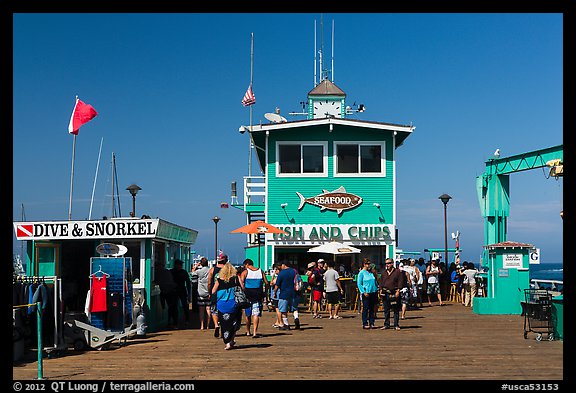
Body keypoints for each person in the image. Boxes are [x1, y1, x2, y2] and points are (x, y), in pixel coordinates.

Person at [211, 262, 243, 350]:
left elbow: (213, 291)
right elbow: (243, 288)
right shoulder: (236, 278)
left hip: (222, 304)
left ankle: (227, 342)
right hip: (234, 303)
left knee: (224, 323)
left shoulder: (219, 280)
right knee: (234, 322)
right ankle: (231, 340)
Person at [239, 258, 269, 338]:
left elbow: (241, 283)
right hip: (258, 295)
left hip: (248, 295)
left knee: (248, 314)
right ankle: (255, 332)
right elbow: (266, 283)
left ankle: (248, 331)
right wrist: (265, 292)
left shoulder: (245, 272)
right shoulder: (260, 271)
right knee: (256, 314)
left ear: (247, 265)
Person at [207, 252, 228, 338]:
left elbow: (209, 282)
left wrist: (209, 292)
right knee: (224, 311)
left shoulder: (212, 269)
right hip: (225, 293)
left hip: (214, 292)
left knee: (214, 310)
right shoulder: (228, 269)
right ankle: (223, 327)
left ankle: (216, 325)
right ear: (225, 260)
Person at [378, 258, 403, 330]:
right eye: (386, 263)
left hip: (394, 292)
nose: (387, 265)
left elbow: (400, 282)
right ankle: (386, 324)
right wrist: (380, 289)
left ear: (392, 263)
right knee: (386, 309)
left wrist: (398, 290)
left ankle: (396, 324)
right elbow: (381, 282)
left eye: (388, 263)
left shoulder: (397, 272)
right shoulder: (384, 273)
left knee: (395, 309)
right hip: (385, 293)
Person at [273, 261, 298, 330]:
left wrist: (274, 292)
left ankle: (286, 324)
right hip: (293, 292)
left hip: (284, 293)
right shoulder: (294, 271)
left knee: (283, 310)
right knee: (294, 308)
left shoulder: (282, 273)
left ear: (283, 265)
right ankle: (296, 318)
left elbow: (277, 285)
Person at [154, 261, 178, 329]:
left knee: (169, 307)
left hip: (166, 291)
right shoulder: (167, 272)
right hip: (171, 291)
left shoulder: (158, 273)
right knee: (172, 307)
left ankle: (170, 322)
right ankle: (173, 322)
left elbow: (157, 281)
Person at [356, 258, 379, 329]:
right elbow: (359, 284)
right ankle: (365, 323)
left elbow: (375, 281)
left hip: (373, 291)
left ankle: (372, 322)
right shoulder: (361, 273)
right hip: (366, 292)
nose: (369, 265)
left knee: (372, 308)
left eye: (369, 264)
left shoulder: (371, 272)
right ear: (364, 264)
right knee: (366, 308)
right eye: (367, 264)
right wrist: (363, 292)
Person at [191, 257, 211, 330]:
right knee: (208, 309)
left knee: (201, 310)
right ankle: (208, 325)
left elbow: (192, 272)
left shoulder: (199, 271)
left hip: (201, 292)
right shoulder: (210, 270)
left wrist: (196, 265)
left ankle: (202, 325)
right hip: (209, 292)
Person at [170, 259, 191, 326]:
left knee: (185, 306)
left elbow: (188, 283)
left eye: (181, 265)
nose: (181, 266)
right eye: (180, 264)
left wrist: (189, 293)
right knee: (174, 306)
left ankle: (187, 320)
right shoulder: (172, 272)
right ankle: (175, 321)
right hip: (174, 291)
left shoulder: (184, 272)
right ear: (176, 265)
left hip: (182, 290)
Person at [269, 264, 283, 328]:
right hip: (280, 294)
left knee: (277, 309)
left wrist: (272, 276)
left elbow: (271, 283)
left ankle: (280, 322)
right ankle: (278, 322)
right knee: (279, 309)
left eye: (276, 269)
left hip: (277, 294)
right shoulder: (282, 276)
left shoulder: (278, 277)